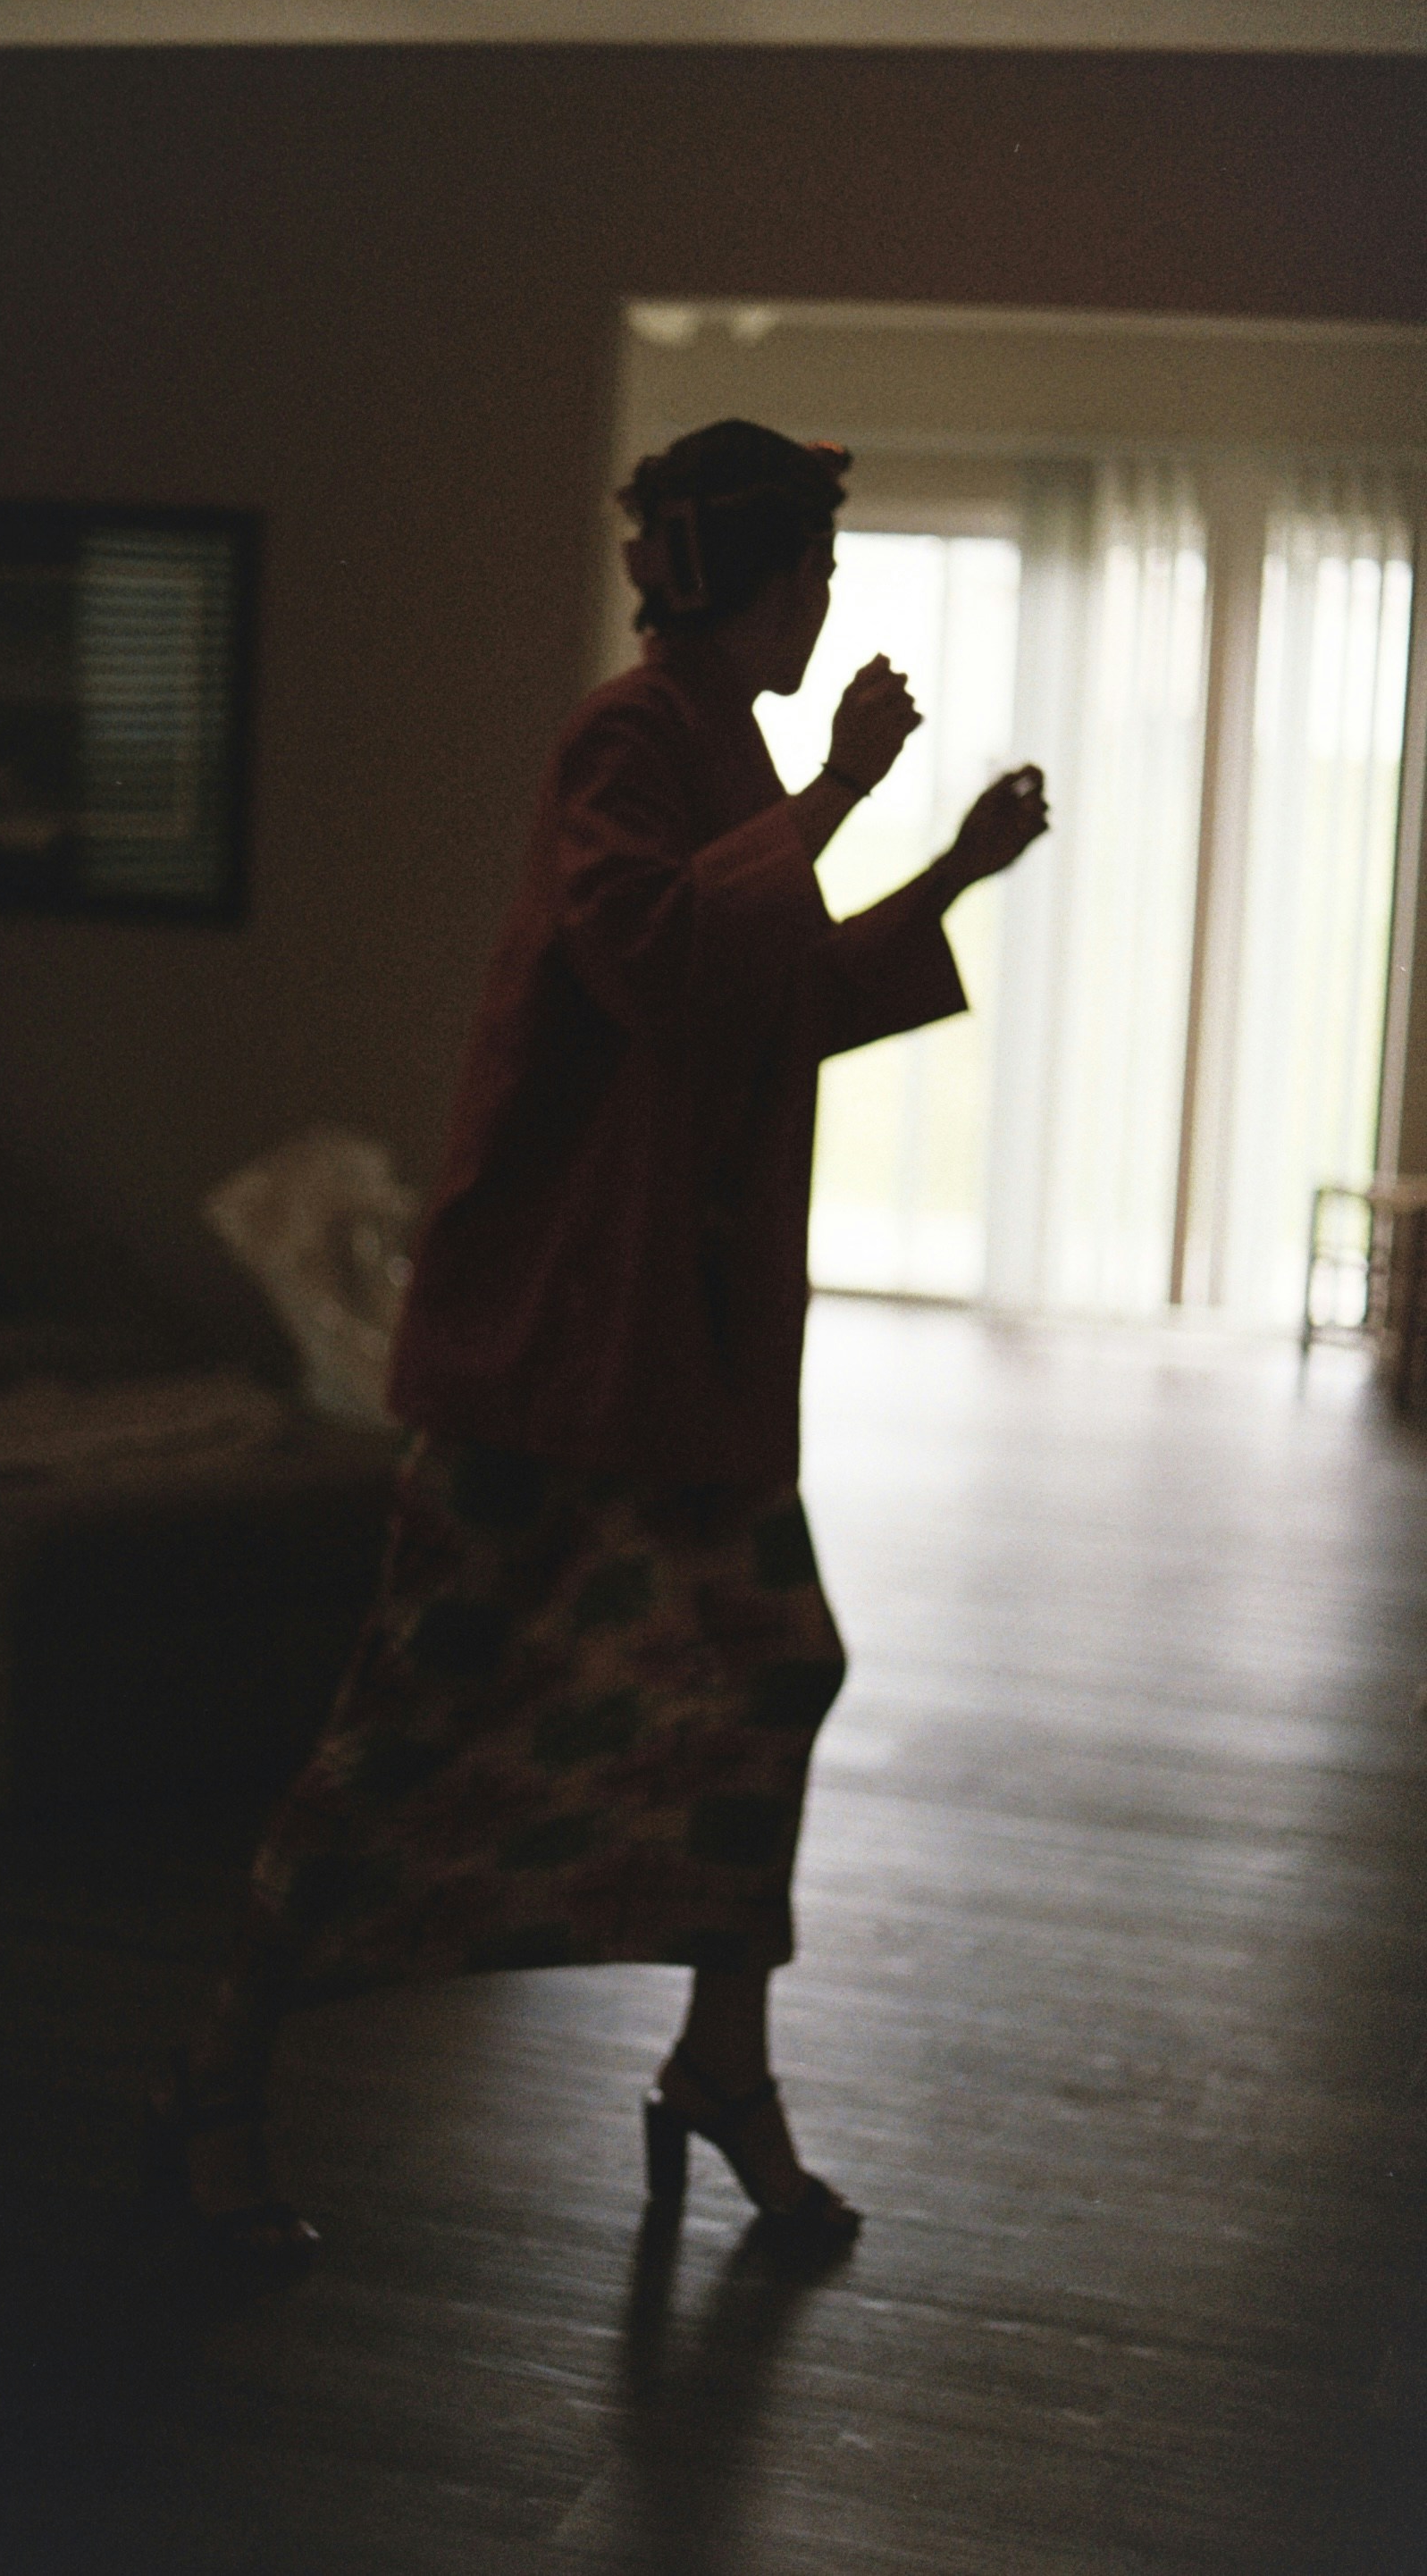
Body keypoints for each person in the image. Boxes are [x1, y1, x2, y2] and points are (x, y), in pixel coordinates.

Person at [148, 418, 1049, 2279]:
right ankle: (218, 2074)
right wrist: (841, 795)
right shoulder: (627, 739)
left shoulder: (712, 746)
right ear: (730, 576)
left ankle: (719, 2066)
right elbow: (646, 954)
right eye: (804, 574)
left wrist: (947, 869)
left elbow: (768, 1003)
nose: (821, 607)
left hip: (678, 1349)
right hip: (560, 1338)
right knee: (412, 1719)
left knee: (768, 1670)